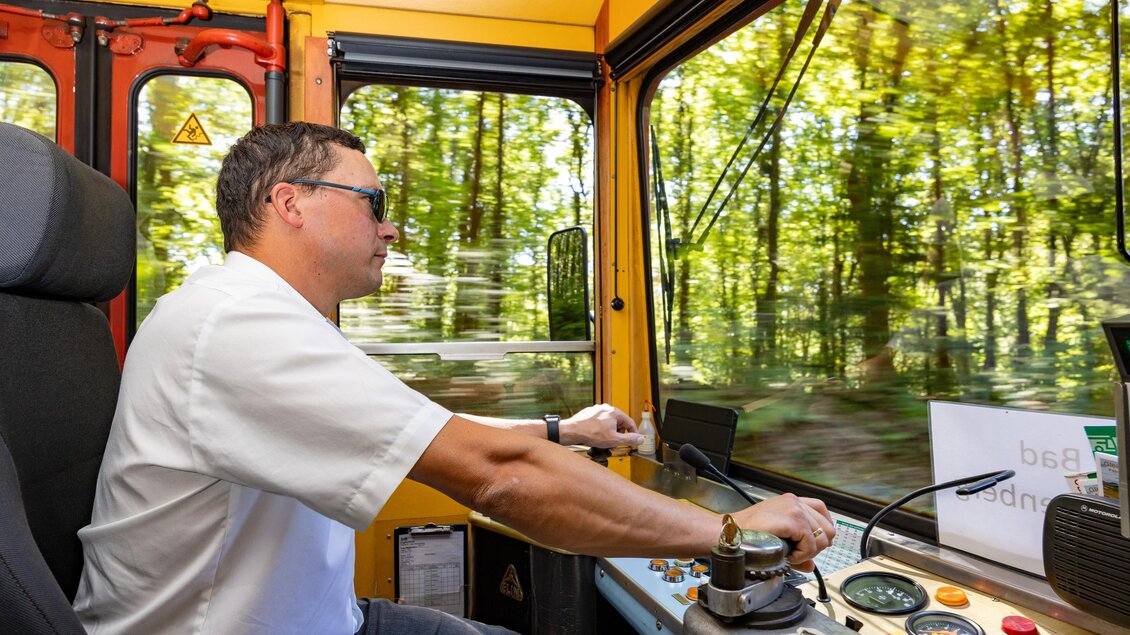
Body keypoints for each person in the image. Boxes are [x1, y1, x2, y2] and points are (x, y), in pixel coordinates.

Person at [72, 122, 835, 634]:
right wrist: (731, 530)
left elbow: (417, 434)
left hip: (319, 612)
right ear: (289, 202)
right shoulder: (236, 325)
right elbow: (494, 477)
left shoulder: (259, 315)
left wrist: (561, 430)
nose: (389, 225)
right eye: (373, 201)